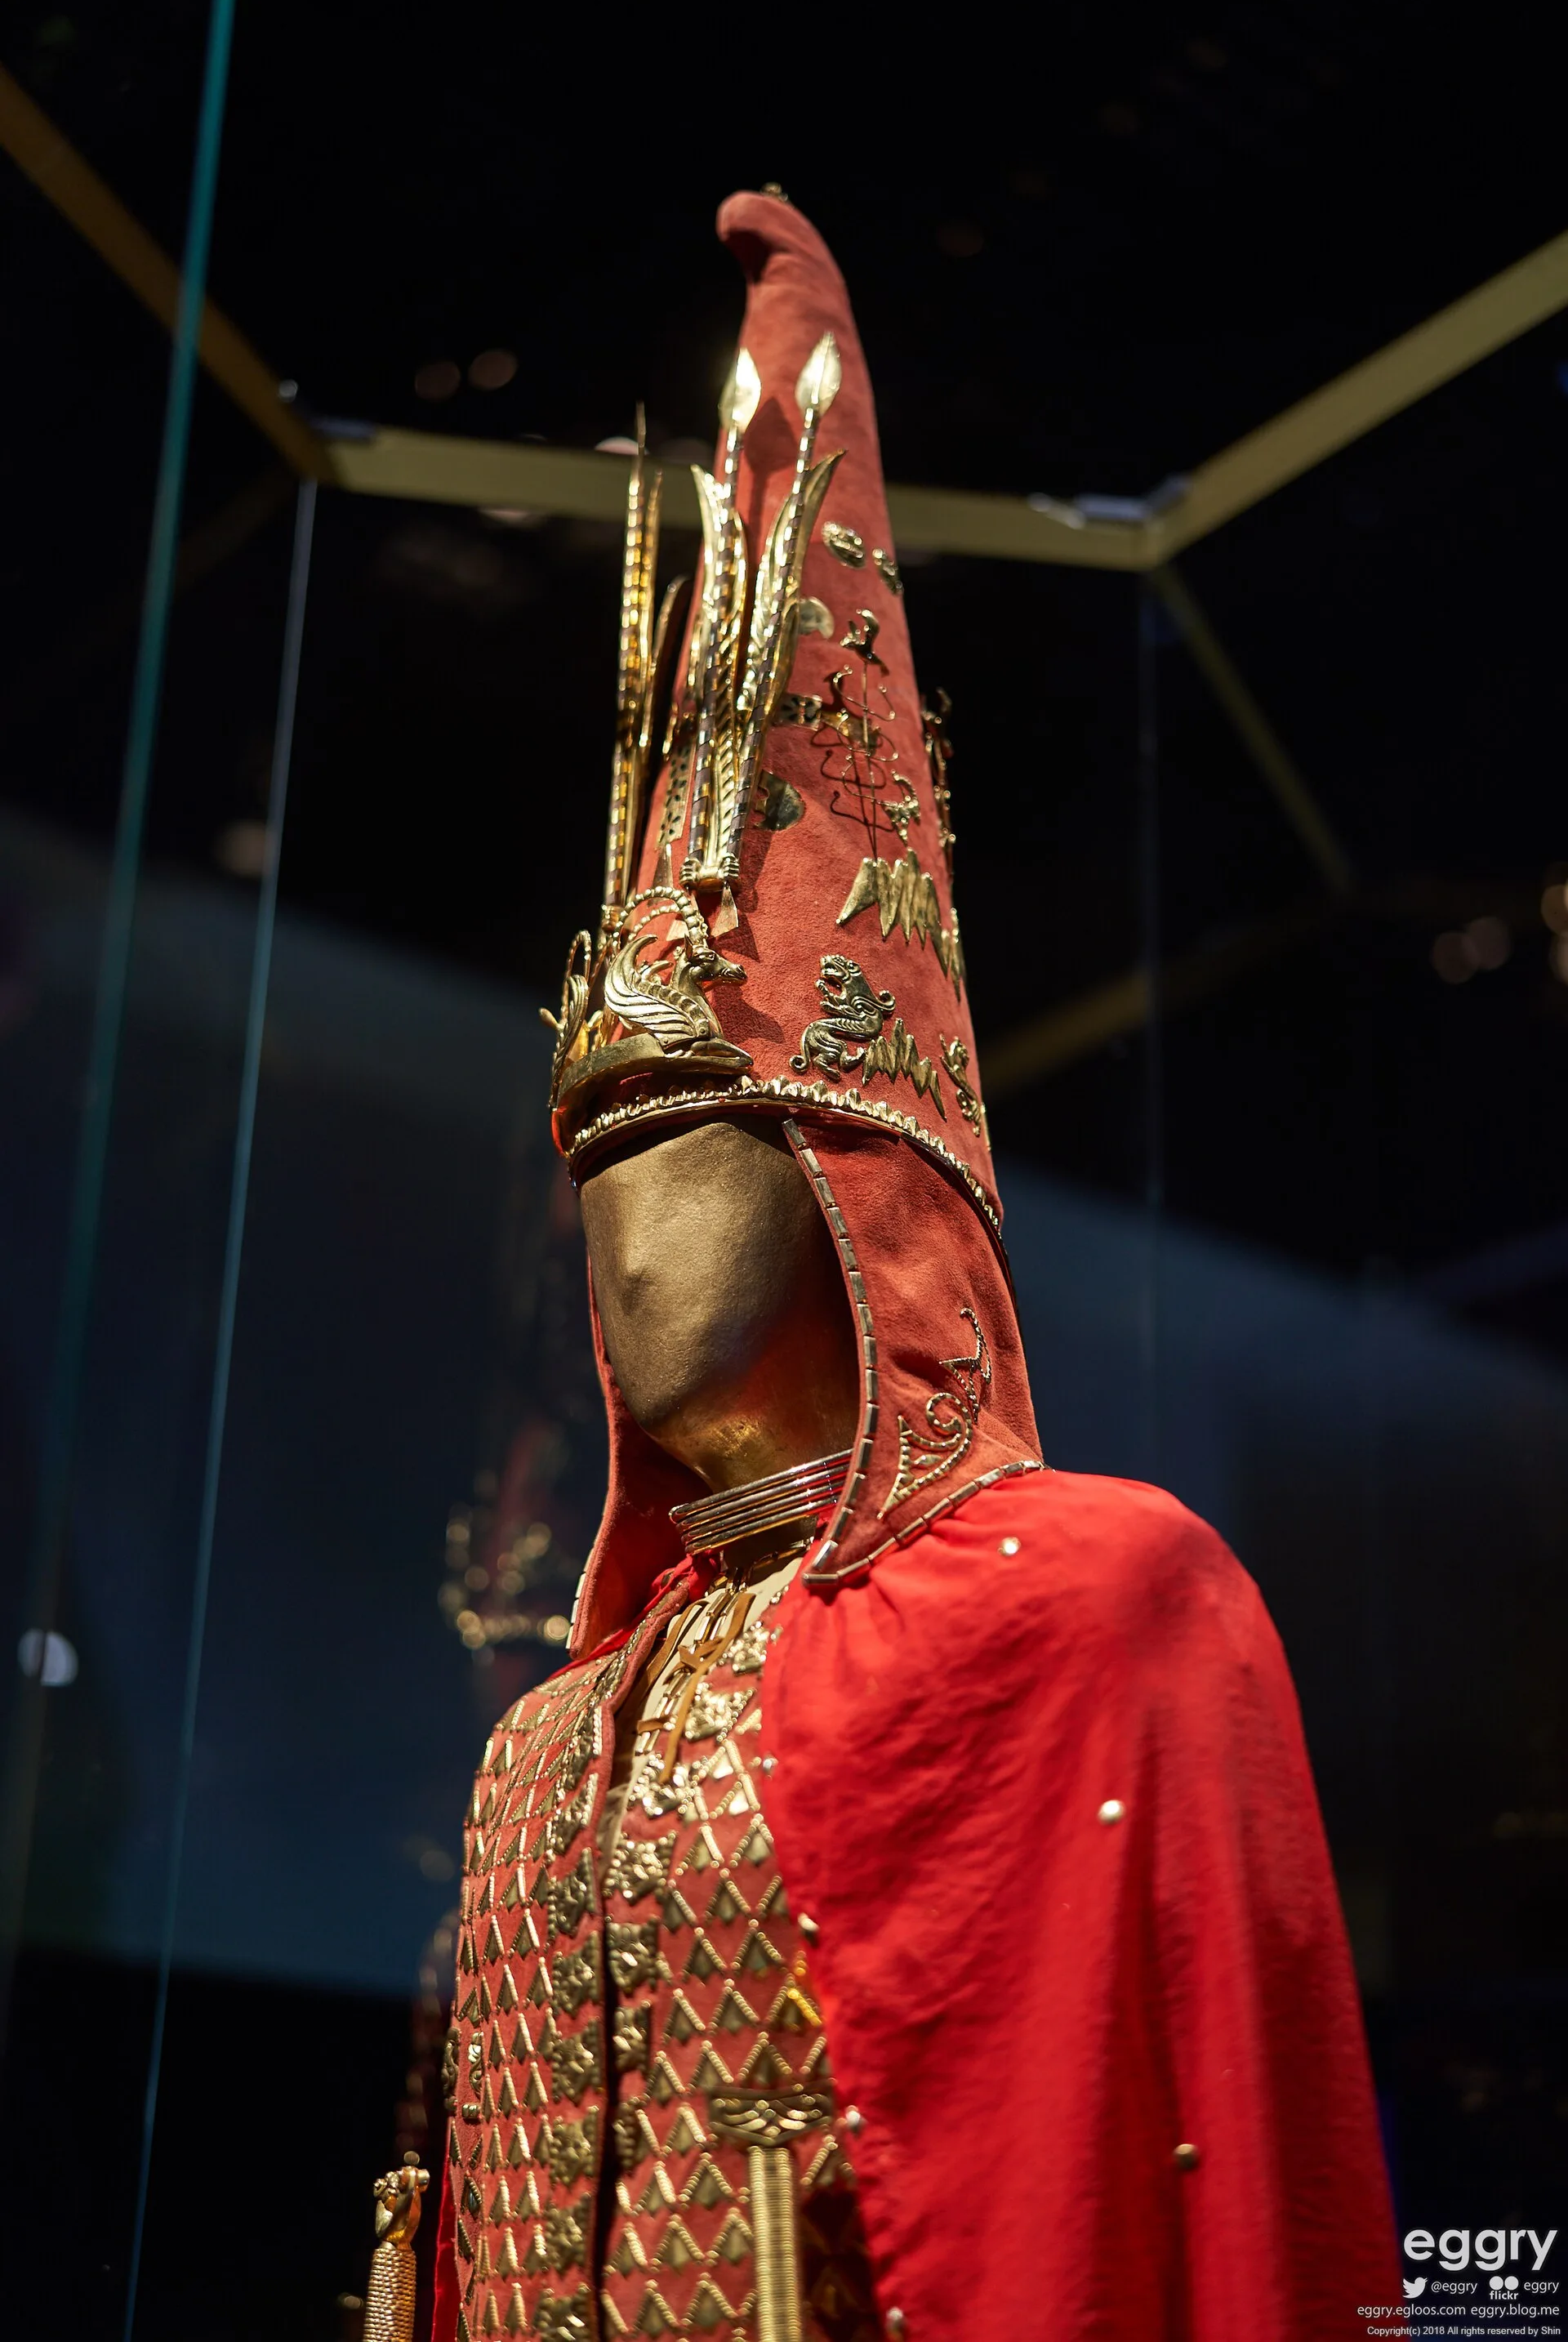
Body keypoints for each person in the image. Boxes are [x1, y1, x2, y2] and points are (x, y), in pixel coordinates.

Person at [428, 187, 1399, 2342]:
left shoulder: (1107, 1606)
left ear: (856, 1175)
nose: (630, 1234)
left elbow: (1209, 2204)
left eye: (692, 1148)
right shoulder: (546, 1745)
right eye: (596, 1166)